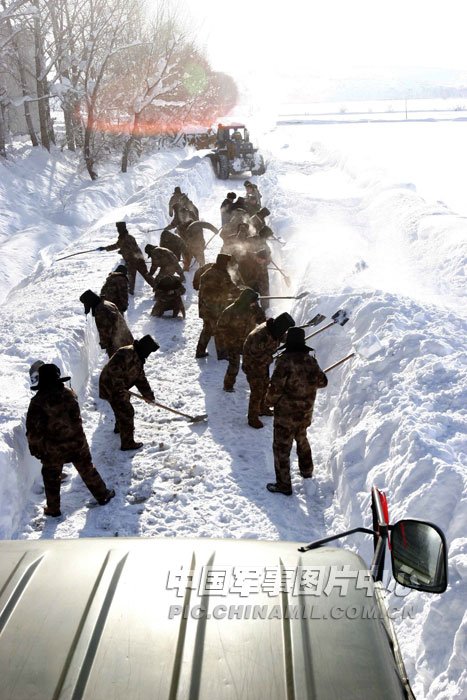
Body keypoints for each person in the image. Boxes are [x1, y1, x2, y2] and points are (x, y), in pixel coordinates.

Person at [26, 363, 115, 517]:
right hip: (77, 442)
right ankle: (103, 495)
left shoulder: (37, 402)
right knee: (87, 469)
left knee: (51, 478)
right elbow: (75, 417)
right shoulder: (69, 394)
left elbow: (33, 432)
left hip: (53, 450)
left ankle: (53, 509)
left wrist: (37, 451)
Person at [265, 327, 328, 495]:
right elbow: (323, 382)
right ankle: (307, 470)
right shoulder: (311, 361)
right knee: (301, 438)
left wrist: (268, 402)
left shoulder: (285, 362)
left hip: (286, 415)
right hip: (305, 413)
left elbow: (275, 388)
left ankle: (284, 484)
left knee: (281, 447)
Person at [99, 335, 159, 451]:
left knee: (122, 405)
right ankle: (127, 443)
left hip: (119, 387)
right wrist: (119, 386)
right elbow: (113, 369)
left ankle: (120, 427)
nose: (149, 354)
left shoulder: (138, 358)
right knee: (127, 411)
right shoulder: (126, 353)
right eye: (149, 351)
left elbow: (140, 379)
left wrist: (148, 396)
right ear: (144, 349)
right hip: (110, 385)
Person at [242, 313, 295, 428]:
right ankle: (252, 418)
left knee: (265, 385)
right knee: (257, 391)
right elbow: (256, 356)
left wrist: (292, 340)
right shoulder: (260, 336)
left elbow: (281, 336)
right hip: (252, 364)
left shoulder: (274, 329)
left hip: (262, 365)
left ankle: (262, 408)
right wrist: (271, 357)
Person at [215, 288, 266, 392]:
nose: (255, 303)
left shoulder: (255, 309)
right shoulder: (231, 310)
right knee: (234, 366)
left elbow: (262, 322)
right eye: (253, 301)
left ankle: (255, 386)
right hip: (233, 343)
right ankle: (228, 386)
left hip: (248, 341)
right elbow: (220, 327)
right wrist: (227, 341)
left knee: (253, 364)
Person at [196, 254, 240, 358]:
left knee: (207, 330)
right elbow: (232, 289)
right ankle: (222, 354)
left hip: (204, 307)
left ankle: (200, 351)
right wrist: (245, 294)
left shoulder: (207, 273)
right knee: (219, 329)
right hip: (214, 308)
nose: (227, 266)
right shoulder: (222, 274)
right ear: (223, 263)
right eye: (227, 263)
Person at [99, 221, 154, 295]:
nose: (118, 231)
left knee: (131, 278)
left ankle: (130, 293)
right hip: (139, 258)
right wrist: (122, 251)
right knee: (146, 275)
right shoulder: (130, 237)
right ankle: (157, 287)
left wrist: (105, 248)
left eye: (118, 229)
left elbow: (116, 246)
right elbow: (131, 247)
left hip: (132, 261)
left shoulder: (122, 238)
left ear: (120, 229)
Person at [79, 289, 133, 357]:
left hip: (118, 344)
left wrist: (104, 344)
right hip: (126, 337)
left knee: (120, 365)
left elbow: (105, 331)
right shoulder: (106, 303)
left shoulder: (100, 311)